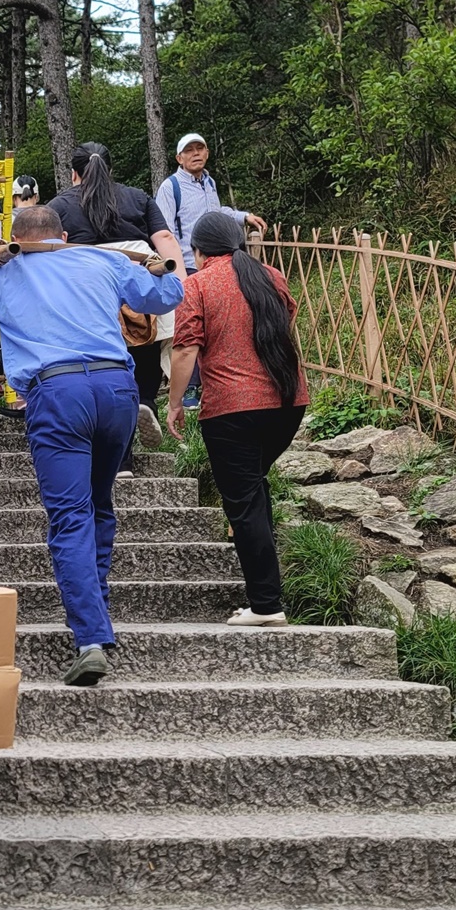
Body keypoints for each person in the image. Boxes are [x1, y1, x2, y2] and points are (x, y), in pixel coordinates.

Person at [0, 205, 182, 687]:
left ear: (14, 240)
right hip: (116, 391)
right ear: (63, 235)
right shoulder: (103, 261)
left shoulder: (3, 275)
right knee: (99, 504)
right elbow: (166, 295)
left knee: (70, 515)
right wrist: (159, 264)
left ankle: (90, 637)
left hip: (58, 392)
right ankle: (97, 608)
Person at [167, 212, 308, 628]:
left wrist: (175, 403)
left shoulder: (197, 284)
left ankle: (266, 605)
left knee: (244, 503)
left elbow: (184, 350)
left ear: (198, 251)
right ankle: (267, 595)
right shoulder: (271, 276)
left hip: (233, 410)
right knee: (253, 492)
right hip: (288, 404)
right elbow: (286, 323)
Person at [47, 143, 186, 474]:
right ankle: (146, 402)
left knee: (102, 375)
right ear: (109, 170)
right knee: (142, 365)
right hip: (139, 290)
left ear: (73, 174)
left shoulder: (60, 205)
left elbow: (46, 249)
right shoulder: (137, 197)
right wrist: (180, 280)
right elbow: (164, 236)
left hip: (88, 295)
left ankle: (116, 460)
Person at [155, 133, 269, 409]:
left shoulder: (209, 182)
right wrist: (176, 271)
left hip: (218, 263)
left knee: (218, 323)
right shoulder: (171, 188)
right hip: (189, 267)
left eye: (200, 148)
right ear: (179, 158)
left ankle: (215, 381)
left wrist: (243, 216)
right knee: (191, 327)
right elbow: (164, 228)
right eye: (189, 150)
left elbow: (218, 214)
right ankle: (190, 389)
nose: (196, 154)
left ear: (206, 152)